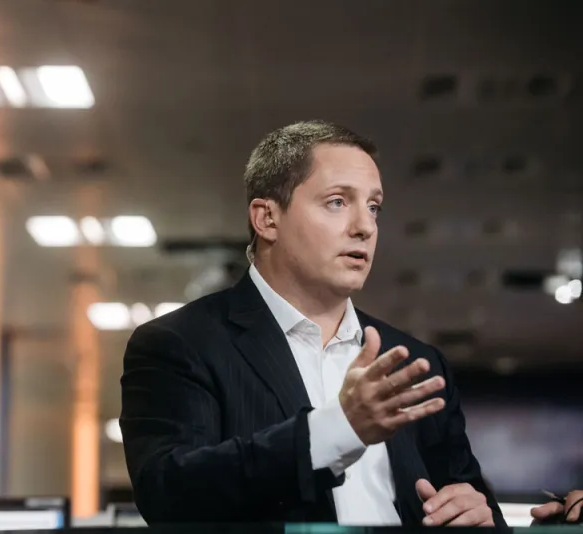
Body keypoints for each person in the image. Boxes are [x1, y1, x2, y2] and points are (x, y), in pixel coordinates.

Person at [119, 120, 505, 527]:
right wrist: (336, 430)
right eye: (337, 202)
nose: (365, 226)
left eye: (374, 207)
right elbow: (169, 493)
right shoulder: (181, 343)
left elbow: (475, 503)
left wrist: (479, 517)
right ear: (267, 219)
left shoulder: (415, 363)